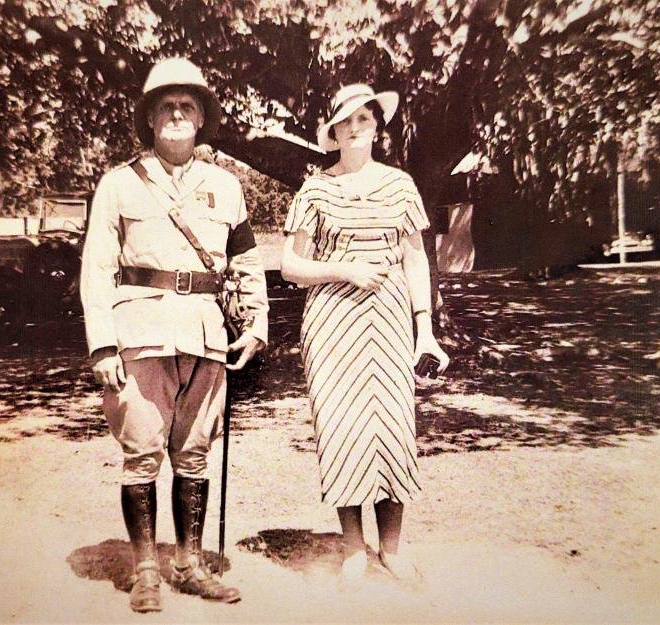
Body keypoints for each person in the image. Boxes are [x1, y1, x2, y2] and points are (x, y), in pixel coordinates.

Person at [80, 57, 268, 613]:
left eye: (189, 106)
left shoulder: (226, 187)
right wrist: (103, 344)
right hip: (139, 334)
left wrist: (256, 321)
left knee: (195, 454)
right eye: (167, 106)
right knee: (141, 454)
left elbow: (247, 261)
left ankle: (188, 563)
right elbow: (96, 268)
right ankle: (145, 571)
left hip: (206, 335)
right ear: (150, 120)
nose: (178, 115)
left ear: (202, 118)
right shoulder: (118, 184)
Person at [280, 83, 449, 587]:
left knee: (393, 429)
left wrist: (426, 330)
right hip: (333, 322)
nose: (356, 129)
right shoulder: (315, 189)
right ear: (332, 131)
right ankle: (354, 549)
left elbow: (416, 257)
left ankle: (392, 549)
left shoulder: (400, 185)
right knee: (342, 429)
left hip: (391, 319)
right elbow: (290, 265)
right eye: (346, 121)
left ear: (378, 127)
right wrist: (344, 270)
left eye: (365, 120)